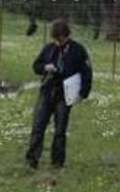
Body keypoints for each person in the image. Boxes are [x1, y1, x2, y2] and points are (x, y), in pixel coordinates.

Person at [26, 20, 92, 169]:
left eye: (60, 38)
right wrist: (45, 67)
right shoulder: (49, 48)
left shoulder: (78, 50)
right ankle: (32, 160)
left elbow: (87, 73)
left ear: (65, 35)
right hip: (47, 92)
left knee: (60, 130)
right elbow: (35, 66)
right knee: (38, 126)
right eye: (55, 39)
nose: (57, 42)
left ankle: (57, 162)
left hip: (65, 95)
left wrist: (83, 93)